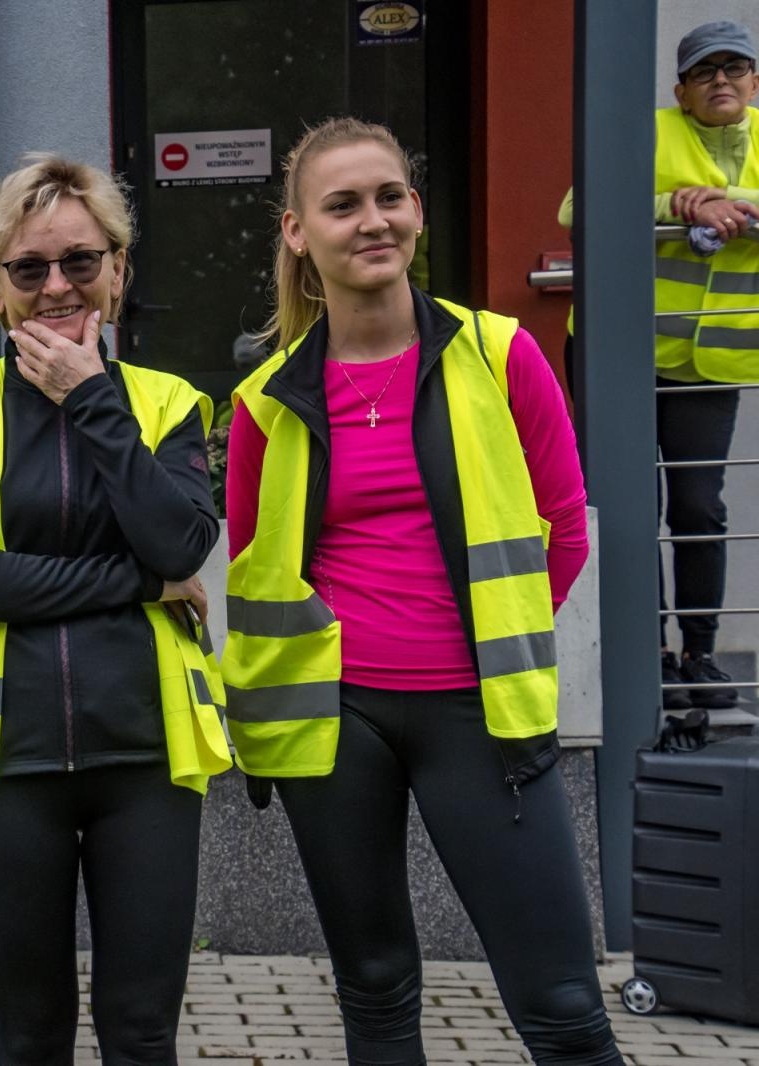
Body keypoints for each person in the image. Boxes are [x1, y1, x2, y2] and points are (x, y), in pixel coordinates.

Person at [224, 117, 622, 1066]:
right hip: (335, 722)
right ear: (297, 232)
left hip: (477, 713)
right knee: (374, 994)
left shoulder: (499, 354)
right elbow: (258, 563)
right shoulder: (265, 400)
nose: (374, 220)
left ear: (414, 211)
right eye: (344, 204)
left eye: (390, 196)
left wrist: (495, 637)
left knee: (563, 1004)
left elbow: (563, 530)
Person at [0, 154, 230, 1064]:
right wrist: (132, 583)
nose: (57, 286)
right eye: (29, 269)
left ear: (120, 270)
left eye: (81, 262)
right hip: (3, 769)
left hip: (146, 759)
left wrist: (92, 398)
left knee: (140, 1033)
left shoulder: (168, 404)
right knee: (32, 1034)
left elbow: (179, 544)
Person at [558, 19, 759, 710]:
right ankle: (643, 656)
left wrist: (743, 211)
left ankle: (698, 657)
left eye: (735, 69)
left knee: (699, 509)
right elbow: (574, 208)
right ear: (682, 90)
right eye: (706, 72)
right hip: (619, 356)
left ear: (755, 83)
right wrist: (671, 203)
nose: (722, 81)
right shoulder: (646, 129)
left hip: (708, 363)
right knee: (626, 508)